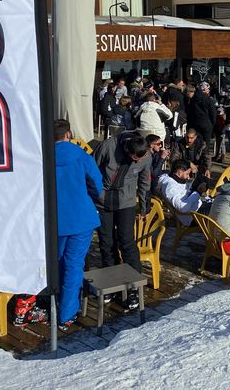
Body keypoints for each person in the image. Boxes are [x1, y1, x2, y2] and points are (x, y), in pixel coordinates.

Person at [53, 119, 104, 331]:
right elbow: (96, 186)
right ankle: (66, 313)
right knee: (74, 265)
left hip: (53, 220)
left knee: (56, 262)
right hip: (81, 217)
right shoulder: (82, 156)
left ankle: (54, 303)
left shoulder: (42, 157)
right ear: (69, 134)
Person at [93, 132, 152, 310]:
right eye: (134, 158)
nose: (137, 161)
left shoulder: (145, 156)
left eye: (140, 159)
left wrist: (144, 207)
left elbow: (145, 182)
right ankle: (111, 283)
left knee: (126, 241)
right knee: (107, 242)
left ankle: (133, 287)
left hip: (125, 201)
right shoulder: (108, 147)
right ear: (127, 149)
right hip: (103, 200)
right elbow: (90, 169)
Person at [158, 159, 208, 226]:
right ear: (180, 172)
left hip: (197, 211)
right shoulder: (170, 186)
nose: (188, 177)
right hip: (191, 217)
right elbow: (183, 207)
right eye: (187, 174)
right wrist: (198, 192)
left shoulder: (177, 181)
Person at [186, 82, 217, 158]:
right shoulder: (208, 99)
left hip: (196, 124)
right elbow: (213, 113)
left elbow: (190, 112)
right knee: (206, 143)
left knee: (196, 142)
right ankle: (204, 159)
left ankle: (196, 157)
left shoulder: (193, 99)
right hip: (206, 124)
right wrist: (212, 124)